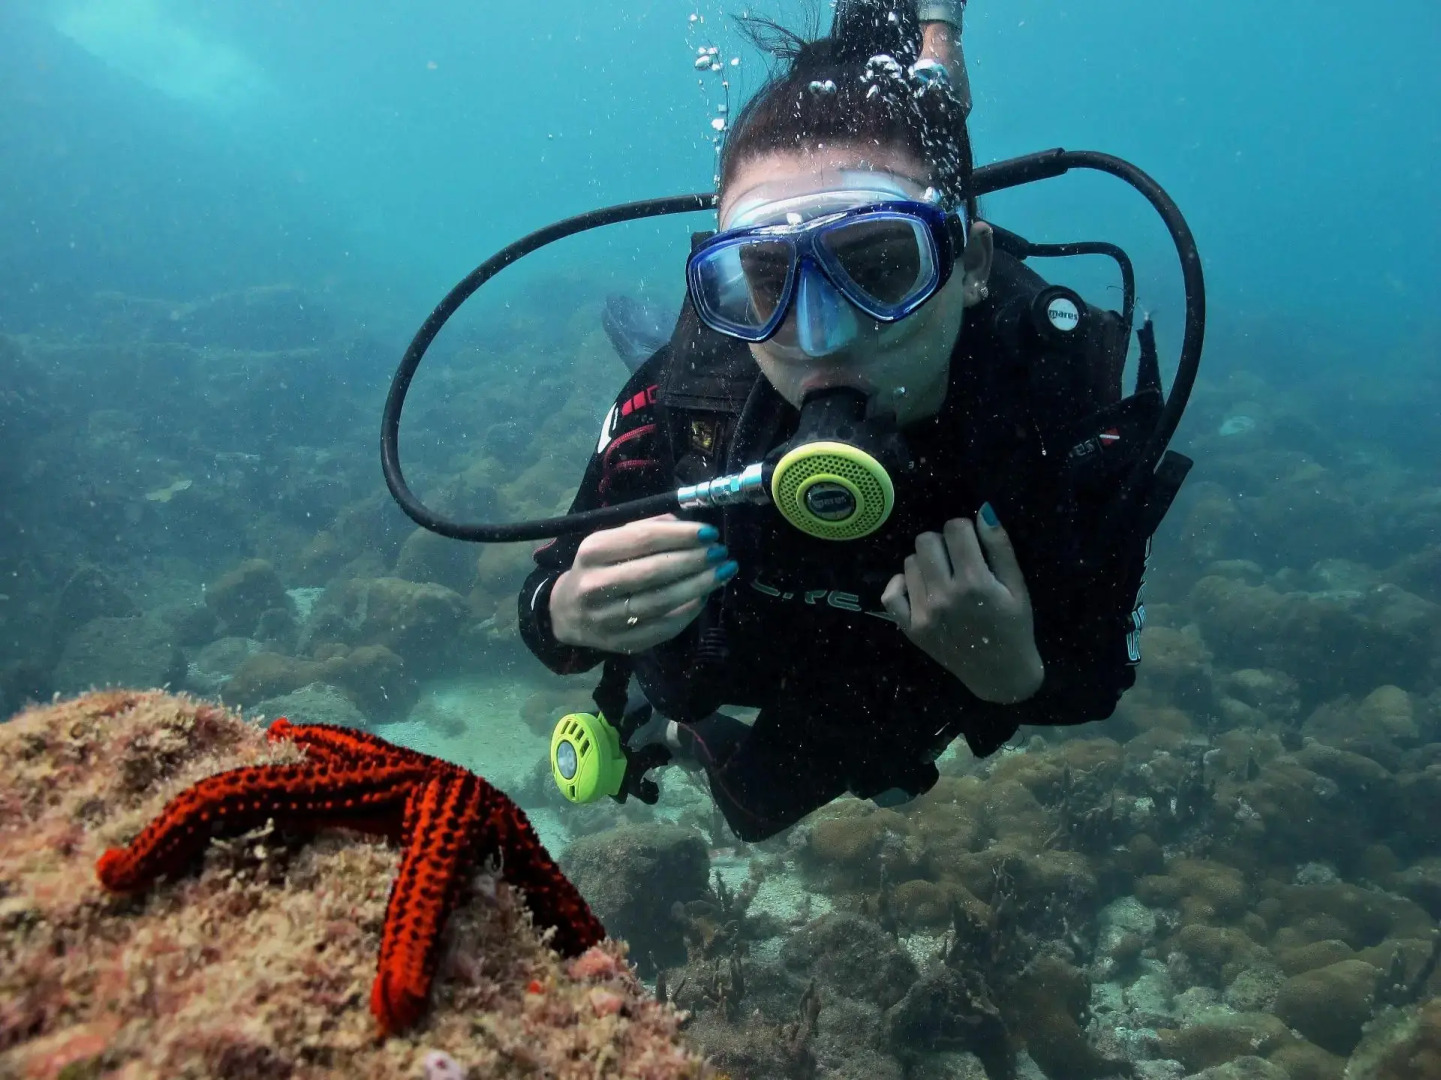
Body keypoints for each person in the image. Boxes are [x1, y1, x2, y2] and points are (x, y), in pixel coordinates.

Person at [518, 2, 1176, 842]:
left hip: (880, 686)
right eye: (763, 282)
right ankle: (664, 715)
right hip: (735, 640)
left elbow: (1096, 679)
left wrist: (1012, 675)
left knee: (758, 807)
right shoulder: (693, 393)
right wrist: (566, 611)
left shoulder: (1052, 415)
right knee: (675, 690)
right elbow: (540, 602)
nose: (820, 339)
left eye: (879, 268)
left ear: (970, 265)